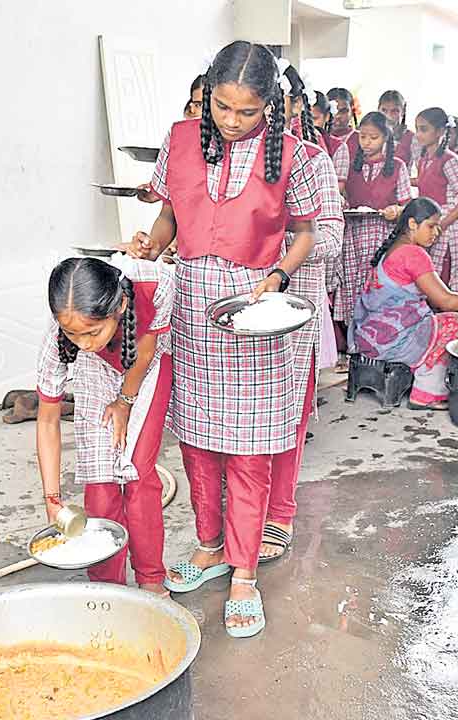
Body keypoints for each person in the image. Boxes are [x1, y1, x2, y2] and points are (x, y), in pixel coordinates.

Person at [124, 40, 321, 639]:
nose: (232, 122)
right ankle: (209, 547)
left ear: (270, 105)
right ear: (207, 93)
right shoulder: (181, 139)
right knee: (198, 441)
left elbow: (308, 232)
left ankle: (244, 572)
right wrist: (151, 245)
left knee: (251, 448)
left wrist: (277, 277)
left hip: (256, 314)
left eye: (247, 112)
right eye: (222, 107)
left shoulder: (295, 154)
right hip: (191, 307)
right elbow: (169, 215)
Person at [35, 257, 174, 595]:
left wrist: (124, 402)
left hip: (147, 365)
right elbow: (48, 421)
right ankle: (108, 587)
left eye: (92, 332)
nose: (82, 342)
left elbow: (144, 353)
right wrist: (51, 496)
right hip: (95, 372)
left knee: (138, 473)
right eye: (72, 332)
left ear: (120, 306)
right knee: (100, 482)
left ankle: (151, 578)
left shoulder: (155, 284)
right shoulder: (61, 346)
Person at [262, 82, 346, 563]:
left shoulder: (312, 160)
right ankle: (243, 513)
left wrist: (279, 250)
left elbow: (330, 237)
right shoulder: (223, 159)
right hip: (235, 303)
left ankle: (280, 513)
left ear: (291, 106)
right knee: (237, 415)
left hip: (293, 307)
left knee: (287, 415)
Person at [353, 198, 458, 411]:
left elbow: (434, 298)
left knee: (443, 316)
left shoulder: (394, 249)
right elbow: (445, 300)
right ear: (412, 224)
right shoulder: (413, 254)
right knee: (456, 324)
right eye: (431, 225)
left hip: (369, 338)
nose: (437, 232)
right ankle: (427, 392)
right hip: (391, 343)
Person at [336, 111, 411, 361]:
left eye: (373, 138)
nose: (367, 142)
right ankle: (354, 344)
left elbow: (406, 205)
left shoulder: (398, 167)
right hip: (353, 235)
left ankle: (378, 343)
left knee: (375, 287)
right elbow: (341, 191)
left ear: (386, 139)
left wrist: (395, 211)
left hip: (381, 236)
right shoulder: (351, 162)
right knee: (351, 288)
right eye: (363, 137)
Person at [413, 107, 458, 291]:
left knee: (446, 269)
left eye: (424, 129)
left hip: (447, 222)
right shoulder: (424, 159)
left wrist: (443, 224)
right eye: (417, 129)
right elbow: (426, 182)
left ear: (440, 132)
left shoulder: (450, 160)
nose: (419, 134)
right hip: (430, 220)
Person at [378, 90, 415, 167]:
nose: (388, 115)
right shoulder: (369, 135)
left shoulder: (411, 138)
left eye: (394, 111)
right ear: (378, 109)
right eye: (384, 110)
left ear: (403, 111)